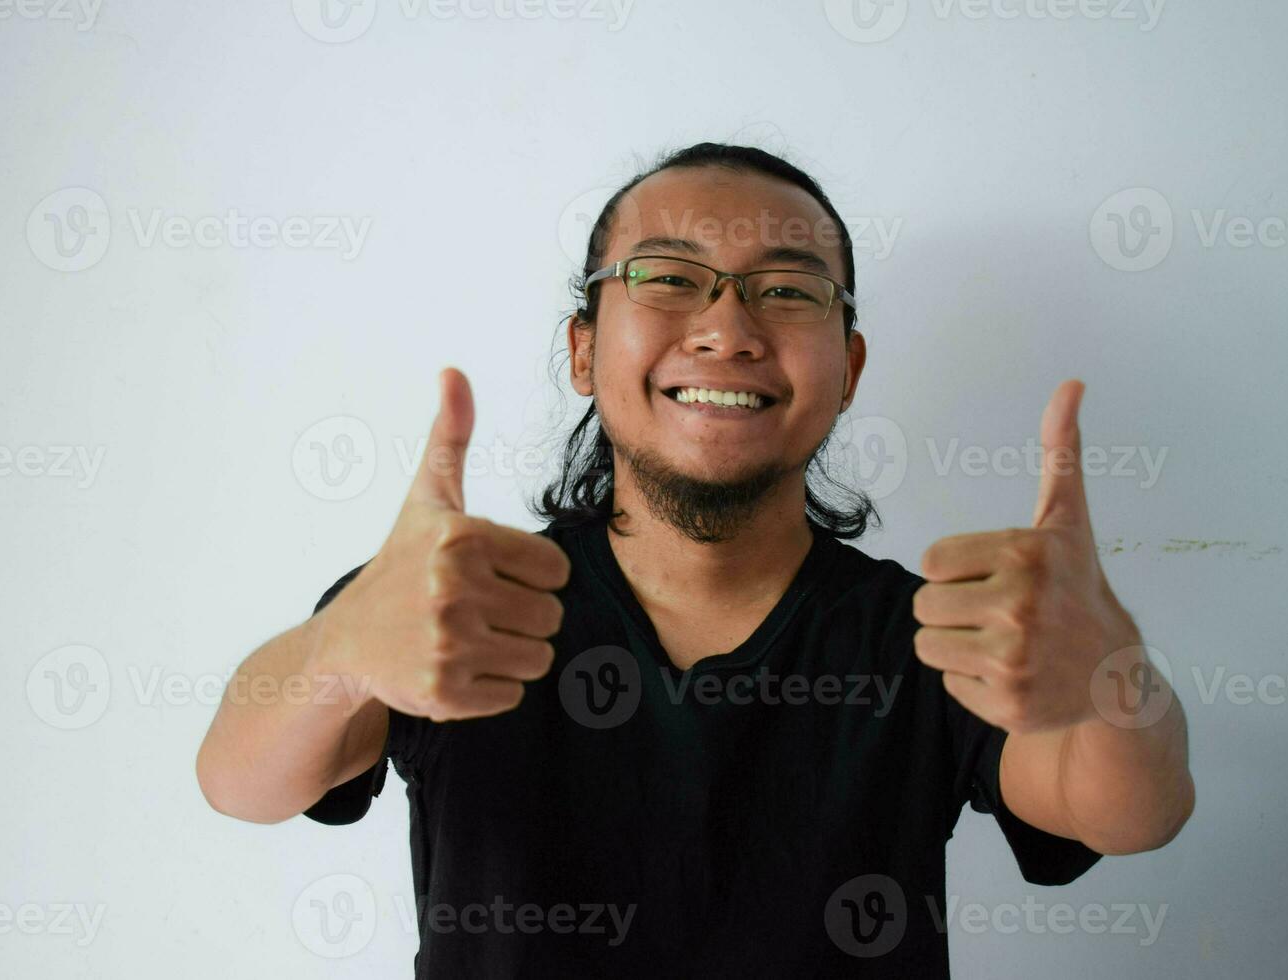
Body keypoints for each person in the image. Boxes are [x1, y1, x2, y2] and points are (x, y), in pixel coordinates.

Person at [195, 142, 1195, 977]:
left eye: (789, 291)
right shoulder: (450, 606)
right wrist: (340, 645)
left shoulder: (935, 636)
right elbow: (239, 781)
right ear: (584, 349)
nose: (727, 327)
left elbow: (1130, 810)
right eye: (668, 278)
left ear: (847, 369)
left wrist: (1113, 673)